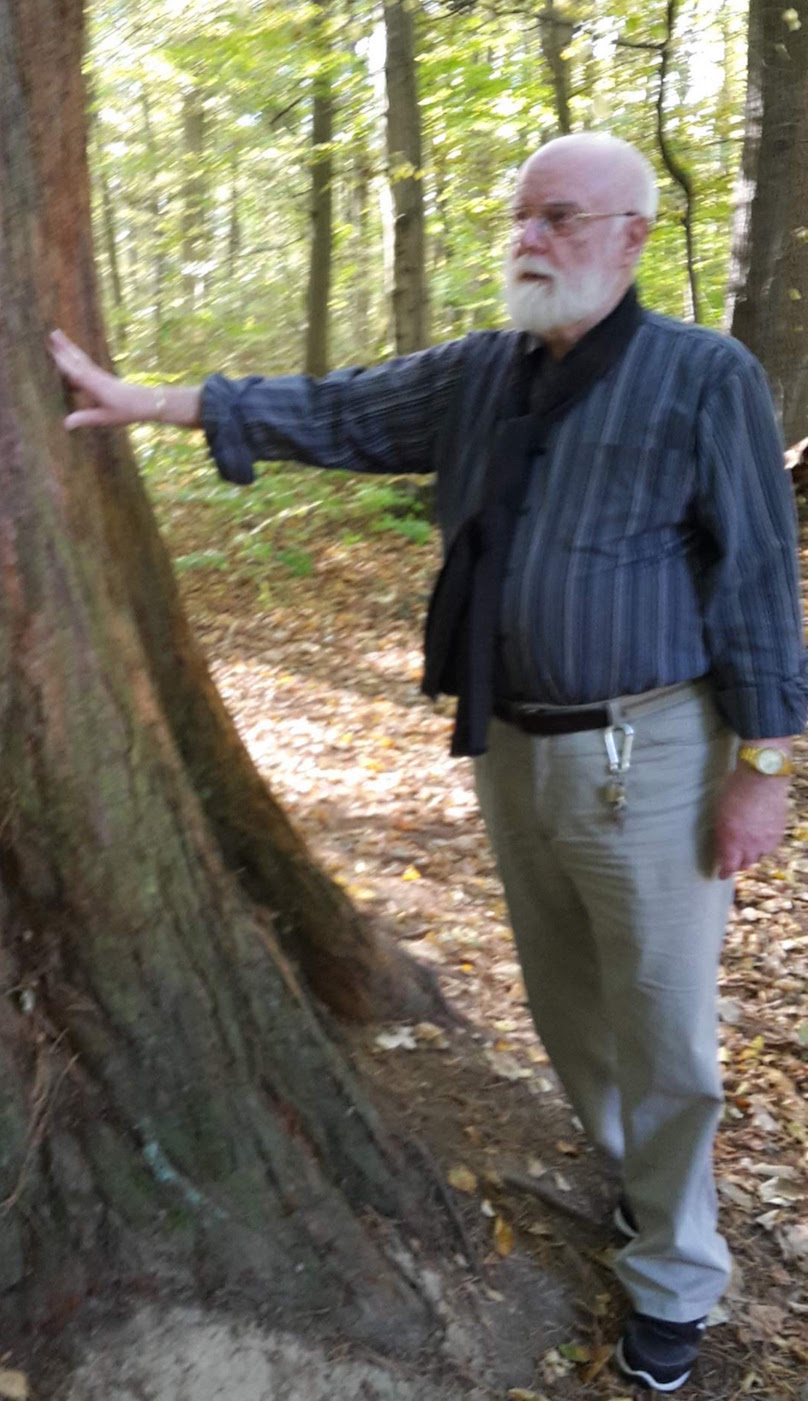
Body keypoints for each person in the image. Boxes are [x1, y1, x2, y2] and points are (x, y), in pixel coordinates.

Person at [49, 132, 807, 1392]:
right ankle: (628, 1181)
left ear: (630, 235)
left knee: (665, 1029)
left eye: (561, 217)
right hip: (514, 749)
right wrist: (152, 404)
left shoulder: (702, 377)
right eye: (522, 215)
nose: (530, 238)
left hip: (658, 753)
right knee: (568, 1002)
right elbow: (337, 409)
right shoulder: (483, 376)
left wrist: (765, 767)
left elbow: (759, 577)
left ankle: (676, 1272)